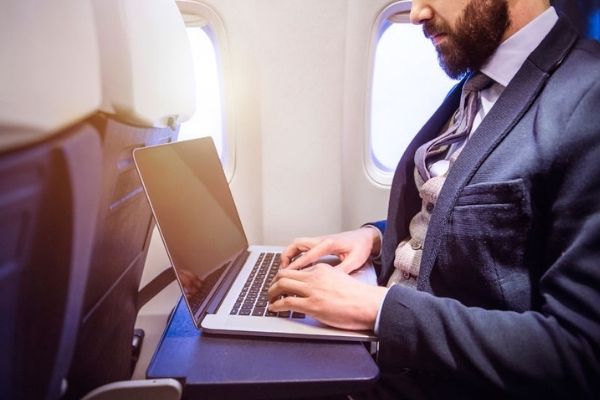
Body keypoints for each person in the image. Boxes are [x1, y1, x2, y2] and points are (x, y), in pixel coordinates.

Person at [267, 0, 600, 398]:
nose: (416, 14)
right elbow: (483, 232)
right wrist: (375, 239)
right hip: (379, 361)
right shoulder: (482, 83)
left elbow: (580, 352)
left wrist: (377, 309)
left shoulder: (587, 97)